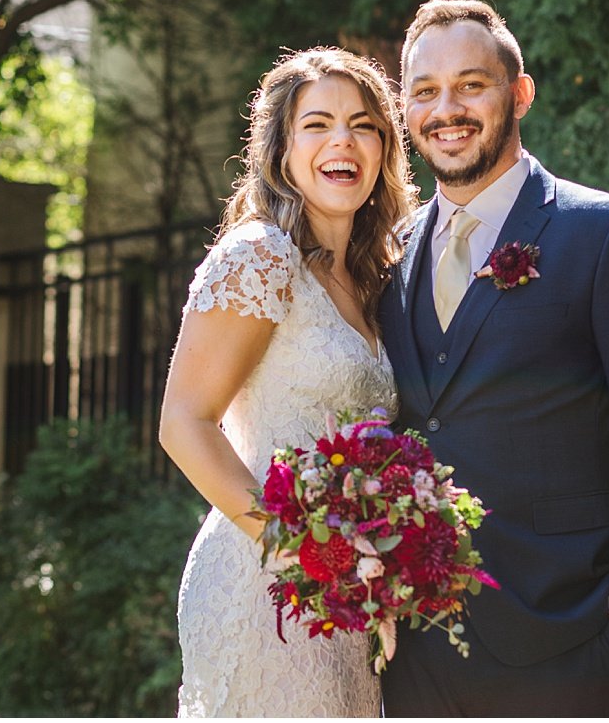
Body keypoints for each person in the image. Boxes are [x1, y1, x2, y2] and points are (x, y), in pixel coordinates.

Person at [377, 0, 609, 716]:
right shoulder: (389, 252)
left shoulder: (607, 234)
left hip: (566, 637)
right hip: (410, 647)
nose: (448, 109)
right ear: (406, 110)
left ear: (519, 93)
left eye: (472, 84)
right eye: (427, 91)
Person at [159, 47, 418, 717]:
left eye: (365, 125)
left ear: (385, 149)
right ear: (281, 149)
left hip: (349, 592)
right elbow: (183, 422)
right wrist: (306, 551)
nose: (343, 140)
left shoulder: (376, 276)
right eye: (318, 124)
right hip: (265, 583)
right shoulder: (261, 254)